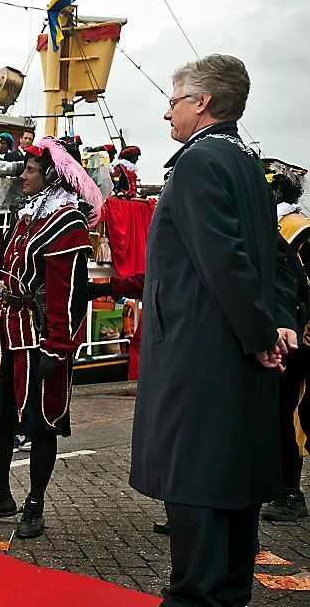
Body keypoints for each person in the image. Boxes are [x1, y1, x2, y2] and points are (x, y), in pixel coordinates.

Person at [131, 54, 298, 607]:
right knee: (233, 514)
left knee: (198, 509)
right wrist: (277, 323)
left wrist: (258, 337)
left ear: (202, 103)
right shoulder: (248, 164)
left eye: (174, 100)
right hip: (237, 367)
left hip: (202, 364)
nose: (166, 113)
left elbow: (222, 261)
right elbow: (277, 259)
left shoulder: (199, 164)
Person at [0, 137, 102, 539]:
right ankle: (0, 493)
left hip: (39, 336)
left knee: (42, 421)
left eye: (30, 169)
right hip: (6, 330)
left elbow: (66, 292)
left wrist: (58, 348)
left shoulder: (66, 222)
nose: (22, 174)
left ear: (52, 176)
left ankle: (35, 503)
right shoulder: (29, 217)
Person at [262, 162, 310, 522]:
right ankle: (280, 487)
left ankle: (291, 492)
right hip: (288, 334)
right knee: (277, 416)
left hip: (299, 339)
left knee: (291, 416)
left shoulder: (299, 231)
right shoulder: (272, 229)